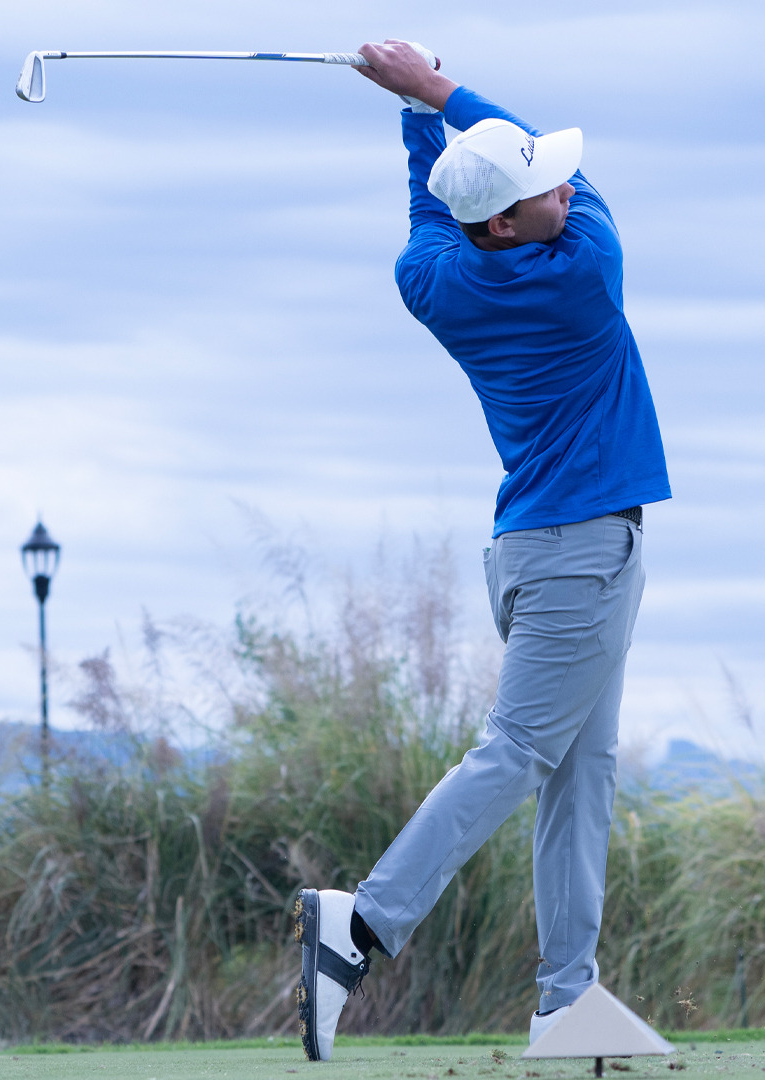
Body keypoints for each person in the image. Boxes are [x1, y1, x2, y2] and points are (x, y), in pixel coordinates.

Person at [291, 41, 671, 1062]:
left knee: (578, 775)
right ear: (508, 221)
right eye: (539, 183)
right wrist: (430, 89)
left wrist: (414, 118)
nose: (561, 184)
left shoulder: (436, 278)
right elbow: (543, 180)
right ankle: (363, 925)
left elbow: (429, 203)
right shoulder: (587, 267)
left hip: (541, 556)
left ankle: (567, 1000)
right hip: (581, 558)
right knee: (519, 754)